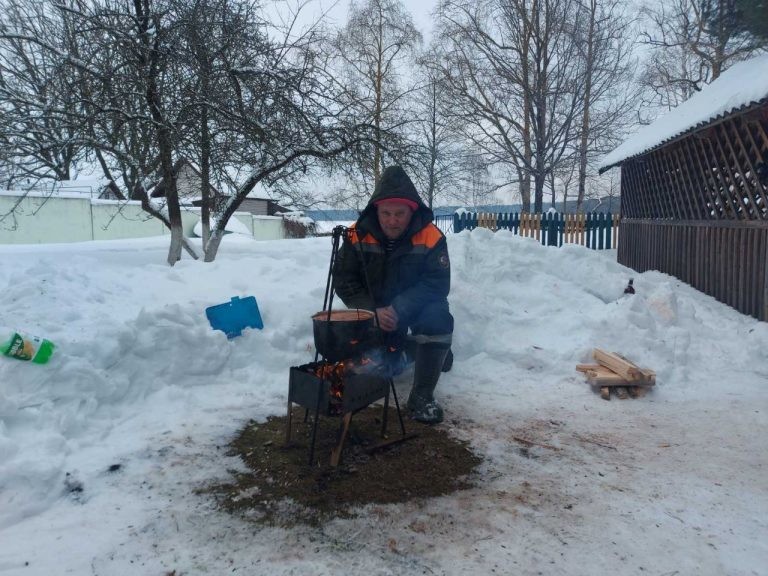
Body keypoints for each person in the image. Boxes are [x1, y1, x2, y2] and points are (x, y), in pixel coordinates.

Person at [333, 165, 453, 424]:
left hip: (416, 306)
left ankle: (422, 396)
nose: (392, 220)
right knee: (376, 353)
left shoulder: (431, 237)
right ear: (376, 210)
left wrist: (399, 307)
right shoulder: (356, 235)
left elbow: (436, 284)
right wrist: (370, 311)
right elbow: (344, 279)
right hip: (374, 308)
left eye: (400, 213)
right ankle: (419, 350)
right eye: (386, 213)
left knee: (438, 320)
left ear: (412, 211)